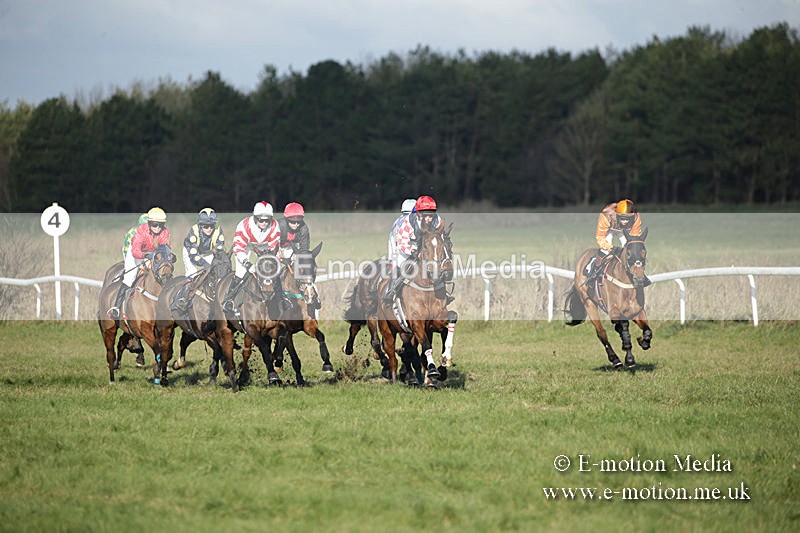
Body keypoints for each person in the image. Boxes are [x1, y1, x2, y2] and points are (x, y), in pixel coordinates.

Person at [222, 201, 288, 312]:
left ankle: (282, 299)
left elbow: (274, 248)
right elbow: (238, 249)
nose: (264, 223)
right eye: (261, 220)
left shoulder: (274, 225)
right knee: (240, 273)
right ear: (255, 218)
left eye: (267, 220)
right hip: (246, 246)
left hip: (264, 247)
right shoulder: (244, 226)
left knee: (273, 271)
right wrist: (248, 265)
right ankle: (229, 300)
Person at [109, 207, 171, 319]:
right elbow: (135, 251)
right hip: (137, 253)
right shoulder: (141, 231)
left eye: (160, 225)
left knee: (163, 272)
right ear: (149, 223)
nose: (157, 228)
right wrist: (145, 256)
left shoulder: (165, 232)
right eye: (154, 224)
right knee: (129, 277)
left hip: (152, 253)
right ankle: (116, 308)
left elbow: (164, 248)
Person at [383, 195, 442, 303]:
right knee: (399, 265)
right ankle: (391, 290)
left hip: (422, 245)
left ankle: (441, 292)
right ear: (418, 213)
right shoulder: (407, 222)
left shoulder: (437, 220)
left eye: (431, 214)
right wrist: (415, 252)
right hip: (402, 245)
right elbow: (402, 243)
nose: (429, 218)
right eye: (426, 215)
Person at [585, 199, 649, 285]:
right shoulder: (606, 214)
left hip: (624, 231)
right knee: (605, 251)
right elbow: (600, 237)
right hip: (609, 228)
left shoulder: (635, 216)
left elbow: (634, 238)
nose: (625, 222)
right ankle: (594, 271)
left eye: (628, 219)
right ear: (617, 215)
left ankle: (638, 273)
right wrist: (610, 248)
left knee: (632, 251)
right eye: (623, 219)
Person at [182, 207, 225, 277]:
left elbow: (219, 251)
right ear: (200, 225)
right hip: (190, 252)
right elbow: (193, 256)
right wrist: (205, 264)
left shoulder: (218, 231)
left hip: (207, 252)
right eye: (206, 226)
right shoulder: (194, 232)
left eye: (211, 226)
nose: (209, 229)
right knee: (192, 273)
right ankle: (186, 287)